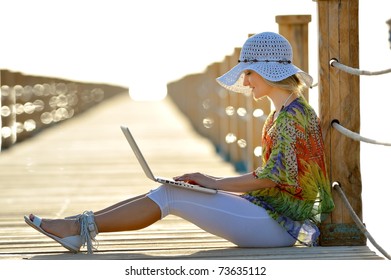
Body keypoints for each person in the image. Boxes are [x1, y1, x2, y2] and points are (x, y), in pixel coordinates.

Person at [24, 32, 334, 254]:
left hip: (279, 227)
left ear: (268, 71)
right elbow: (276, 176)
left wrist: (213, 181)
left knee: (171, 195)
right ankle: (79, 225)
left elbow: (274, 177)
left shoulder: (293, 117)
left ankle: (79, 228)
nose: (246, 81)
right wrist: (209, 184)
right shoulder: (283, 111)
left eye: (249, 73)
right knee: (168, 190)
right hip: (268, 215)